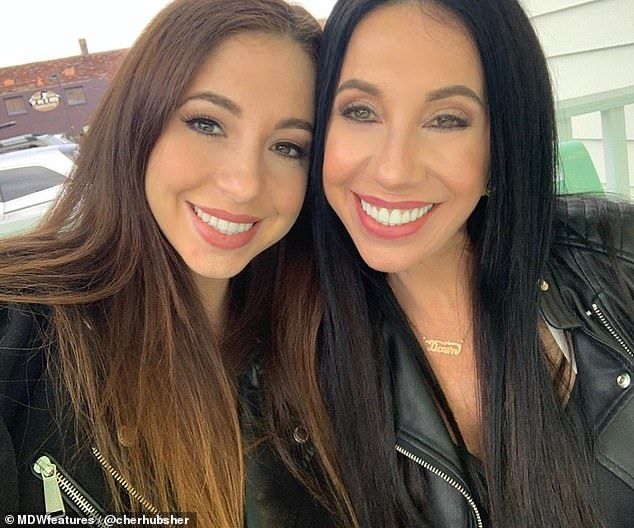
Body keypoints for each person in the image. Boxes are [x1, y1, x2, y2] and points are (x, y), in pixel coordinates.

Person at [264, 0, 634, 527]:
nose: (394, 170)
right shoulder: (286, 361)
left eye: (446, 120)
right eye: (361, 111)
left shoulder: (617, 259)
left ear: (501, 142)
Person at [0, 0, 321, 525]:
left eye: (288, 147)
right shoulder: (16, 333)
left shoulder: (326, 339)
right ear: (137, 121)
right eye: (207, 123)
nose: (244, 183)